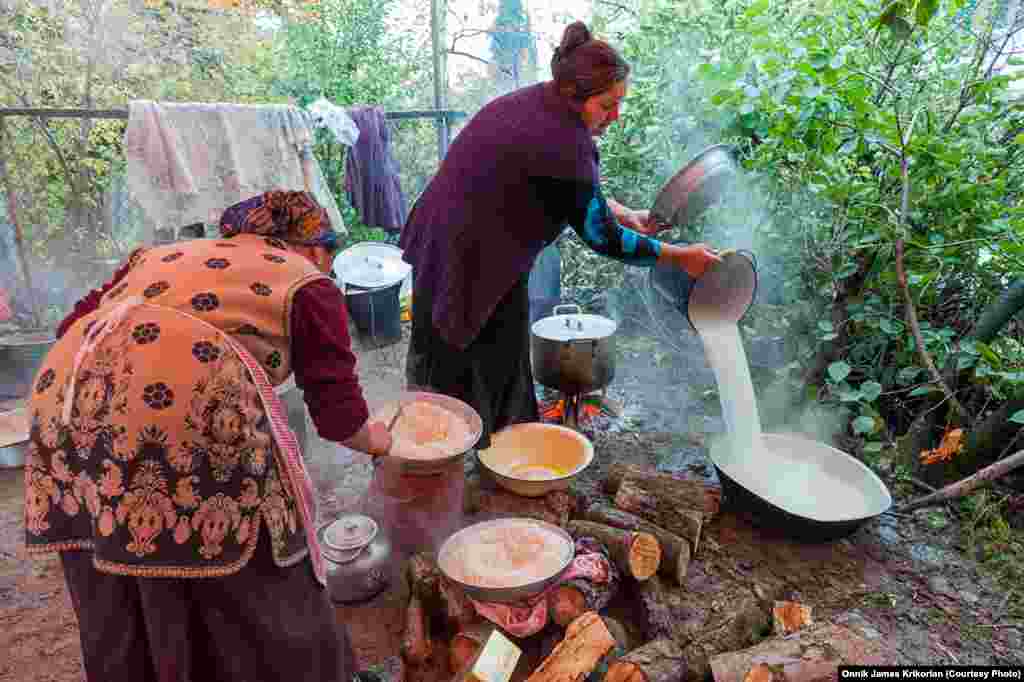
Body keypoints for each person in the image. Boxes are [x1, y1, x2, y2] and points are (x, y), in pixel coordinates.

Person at [25, 190, 392, 682]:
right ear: (309, 246)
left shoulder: (155, 256)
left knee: (119, 575)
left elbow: (72, 326)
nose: (326, 265)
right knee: (257, 579)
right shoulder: (304, 282)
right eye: (327, 251)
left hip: (65, 411)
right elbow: (339, 418)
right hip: (180, 418)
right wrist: (384, 444)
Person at [400, 21, 721, 448]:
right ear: (576, 95)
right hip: (469, 256)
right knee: (470, 359)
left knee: (481, 348)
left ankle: (475, 442)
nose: (616, 116)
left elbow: (571, 195)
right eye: (608, 105)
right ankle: (454, 453)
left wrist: (626, 213)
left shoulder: (538, 103)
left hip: (446, 237)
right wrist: (681, 256)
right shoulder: (566, 141)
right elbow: (601, 237)